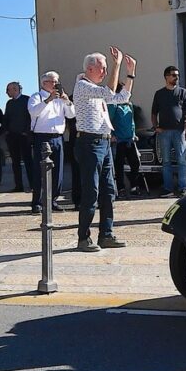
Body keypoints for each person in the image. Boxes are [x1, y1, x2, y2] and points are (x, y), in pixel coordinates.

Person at [73, 47, 136, 251]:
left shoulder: (96, 90)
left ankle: (106, 235)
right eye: (103, 68)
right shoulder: (83, 86)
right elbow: (109, 93)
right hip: (89, 143)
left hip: (104, 142)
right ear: (90, 68)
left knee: (109, 190)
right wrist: (117, 66)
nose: (105, 72)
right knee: (91, 191)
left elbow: (122, 97)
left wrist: (131, 73)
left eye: (107, 68)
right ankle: (83, 238)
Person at [28, 72, 75, 214]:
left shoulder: (60, 99)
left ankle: (53, 200)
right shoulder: (36, 97)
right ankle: (37, 202)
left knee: (58, 171)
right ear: (44, 83)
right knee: (40, 170)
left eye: (57, 81)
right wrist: (48, 100)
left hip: (58, 137)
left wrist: (67, 101)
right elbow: (33, 112)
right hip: (42, 137)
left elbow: (72, 114)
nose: (56, 84)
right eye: (53, 82)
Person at [151, 66, 186, 198]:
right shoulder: (159, 94)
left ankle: (183, 188)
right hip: (164, 133)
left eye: (177, 75)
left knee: (181, 160)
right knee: (166, 161)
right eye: (173, 75)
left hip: (179, 132)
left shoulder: (183, 92)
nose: (176, 77)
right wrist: (156, 126)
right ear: (166, 77)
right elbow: (153, 112)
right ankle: (168, 188)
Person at [109, 85, 141, 197]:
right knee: (119, 165)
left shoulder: (129, 105)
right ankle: (120, 187)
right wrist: (112, 134)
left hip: (129, 139)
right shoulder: (114, 105)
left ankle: (134, 186)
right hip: (119, 140)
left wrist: (134, 134)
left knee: (135, 163)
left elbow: (132, 121)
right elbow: (109, 119)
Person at [3, 82, 32, 192]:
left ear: (15, 89)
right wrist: (6, 131)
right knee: (15, 162)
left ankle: (33, 185)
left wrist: (26, 132)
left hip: (24, 136)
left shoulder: (27, 100)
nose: (6, 92)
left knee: (28, 160)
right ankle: (18, 186)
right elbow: (6, 117)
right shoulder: (9, 103)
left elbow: (31, 117)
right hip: (12, 136)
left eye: (8, 90)